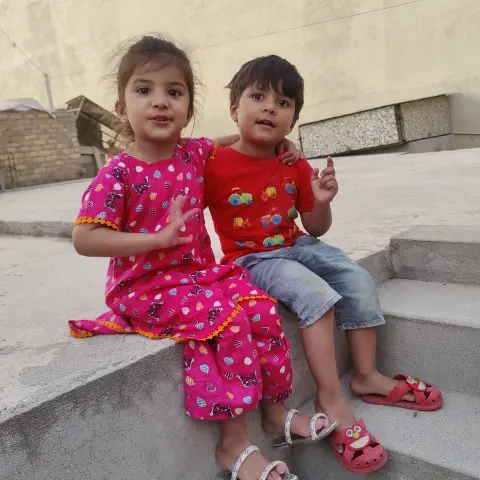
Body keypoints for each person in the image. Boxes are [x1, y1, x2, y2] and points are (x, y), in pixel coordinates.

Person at [68, 35, 335, 480]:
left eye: (174, 92)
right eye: (144, 90)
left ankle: (275, 414)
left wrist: (281, 145)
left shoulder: (192, 153)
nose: (160, 102)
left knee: (260, 307)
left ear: (188, 110)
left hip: (199, 275)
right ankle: (233, 444)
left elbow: (235, 138)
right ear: (121, 108)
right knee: (227, 320)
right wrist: (155, 239)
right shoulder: (118, 173)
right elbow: (84, 238)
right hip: (145, 287)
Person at [205, 55, 443, 474]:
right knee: (316, 296)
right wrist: (231, 138)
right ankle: (330, 399)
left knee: (356, 278)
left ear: (293, 120)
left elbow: (316, 226)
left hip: (299, 244)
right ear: (234, 108)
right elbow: (182, 152)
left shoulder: (292, 162)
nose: (269, 108)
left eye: (282, 103)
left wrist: (321, 200)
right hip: (251, 258)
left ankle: (366, 375)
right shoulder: (214, 162)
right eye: (258, 98)